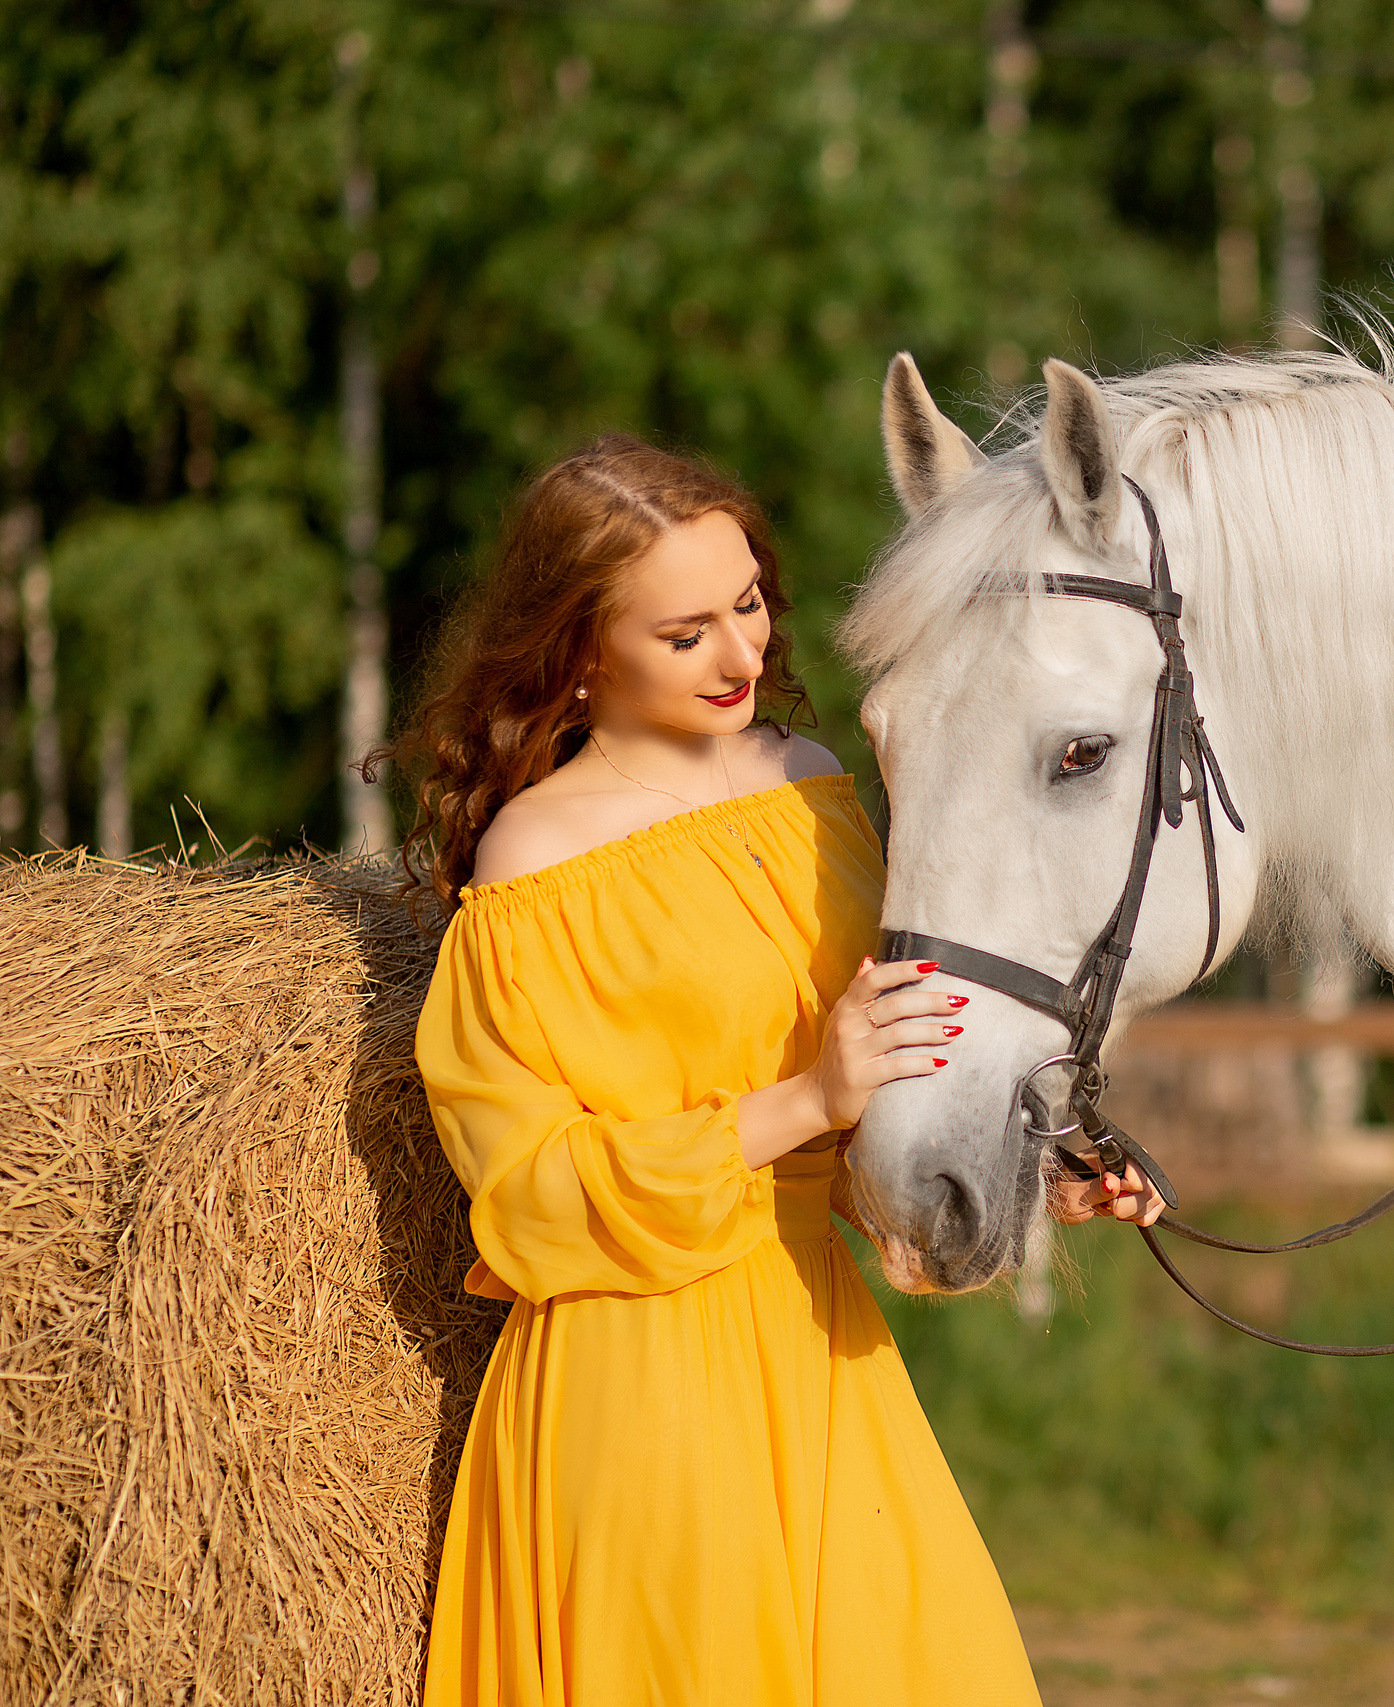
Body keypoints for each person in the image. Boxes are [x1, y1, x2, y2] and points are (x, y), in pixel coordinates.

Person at [382, 435, 1158, 1705]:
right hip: (633, 1388)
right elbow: (527, 1200)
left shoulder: (820, 793)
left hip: (821, 1348)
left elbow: (873, 1116)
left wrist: (1033, 1172)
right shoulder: (533, 863)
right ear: (581, 651)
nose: (743, 656)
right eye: (685, 633)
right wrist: (804, 1100)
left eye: (747, 605)